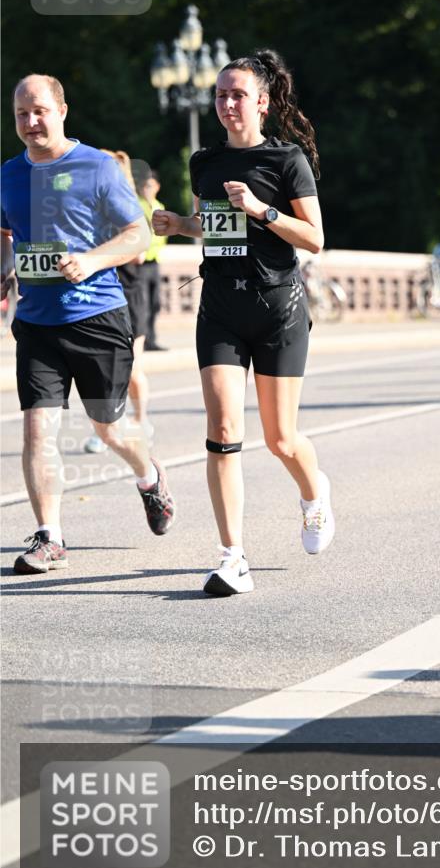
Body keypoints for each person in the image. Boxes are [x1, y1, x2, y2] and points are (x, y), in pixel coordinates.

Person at [153, 48, 334, 597]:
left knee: (281, 440)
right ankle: (232, 558)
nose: (228, 103)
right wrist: (179, 223)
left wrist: (263, 210)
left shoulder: (286, 162)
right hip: (220, 309)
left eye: (238, 95)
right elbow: (215, 228)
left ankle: (314, 495)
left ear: (261, 102)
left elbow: (316, 240)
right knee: (224, 433)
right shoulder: (204, 162)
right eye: (220, 94)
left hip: (278, 306)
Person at [0, 74, 175, 574]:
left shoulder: (96, 167)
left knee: (109, 427)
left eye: (39, 111)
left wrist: (93, 260)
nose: (31, 122)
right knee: (37, 429)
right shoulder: (9, 174)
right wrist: (3, 272)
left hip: (96, 317)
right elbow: (4, 231)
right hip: (35, 322)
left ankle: (148, 475)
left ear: (61, 110)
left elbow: (137, 234)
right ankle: (50, 537)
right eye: (20, 114)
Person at [84, 150, 153, 453]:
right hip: (102, 296)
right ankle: (106, 430)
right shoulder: (91, 205)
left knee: (132, 367)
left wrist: (110, 243)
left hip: (130, 293)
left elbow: (139, 253)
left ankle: (141, 419)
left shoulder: (129, 206)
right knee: (101, 369)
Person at [137, 170, 168, 351]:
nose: (146, 190)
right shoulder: (137, 205)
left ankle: (151, 339)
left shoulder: (159, 205)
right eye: (143, 186)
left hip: (155, 260)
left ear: (157, 187)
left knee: (155, 302)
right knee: (144, 303)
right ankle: (142, 340)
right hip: (141, 262)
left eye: (149, 186)